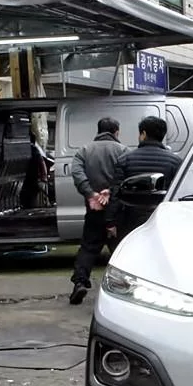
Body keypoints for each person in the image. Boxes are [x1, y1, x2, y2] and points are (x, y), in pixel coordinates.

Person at [69, 117, 127, 305]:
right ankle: (124, 288)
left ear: (98, 130)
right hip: (116, 210)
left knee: (88, 247)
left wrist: (91, 194)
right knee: (120, 249)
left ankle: (79, 282)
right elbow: (125, 176)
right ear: (116, 131)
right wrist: (110, 192)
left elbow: (77, 173)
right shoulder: (123, 151)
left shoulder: (84, 151)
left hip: (94, 209)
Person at [106, 116, 183, 243]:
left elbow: (116, 194)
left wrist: (110, 221)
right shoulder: (175, 161)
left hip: (131, 219)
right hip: (162, 217)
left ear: (143, 134)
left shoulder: (125, 160)